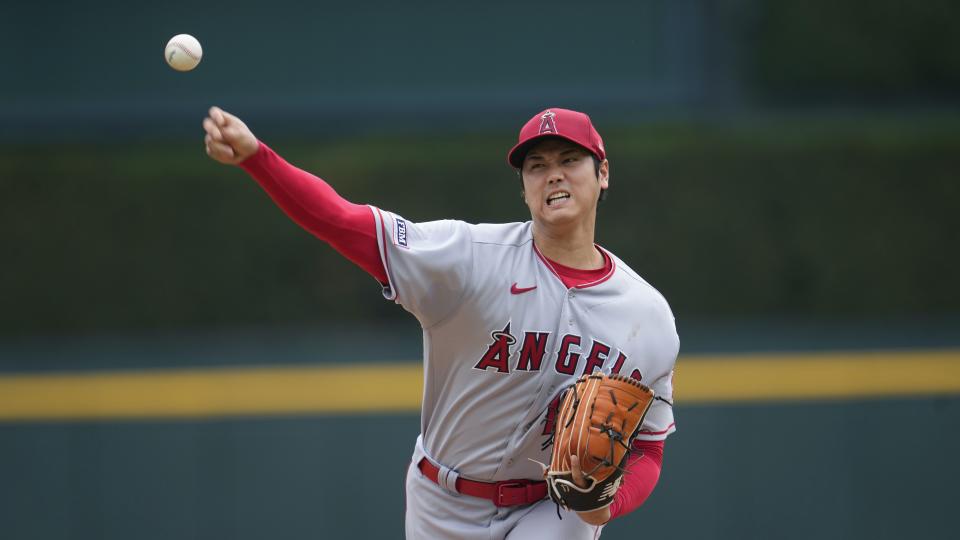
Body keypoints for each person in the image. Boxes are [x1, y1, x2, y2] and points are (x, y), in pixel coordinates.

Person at [203, 106, 679, 539]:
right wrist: (256, 158)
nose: (553, 175)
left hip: (552, 510)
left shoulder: (647, 315)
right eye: (537, 166)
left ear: (603, 173)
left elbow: (649, 451)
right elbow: (344, 222)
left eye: (569, 160)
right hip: (443, 501)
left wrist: (607, 504)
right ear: (524, 188)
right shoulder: (468, 259)